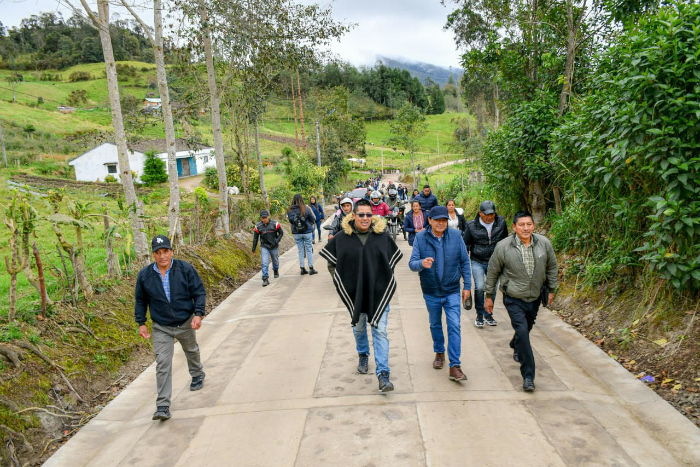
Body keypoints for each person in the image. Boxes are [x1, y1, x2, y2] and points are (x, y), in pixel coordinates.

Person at [320, 199, 403, 393]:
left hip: (378, 293)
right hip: (355, 292)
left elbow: (390, 261)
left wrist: (380, 279)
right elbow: (332, 264)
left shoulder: (382, 236)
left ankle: (383, 375)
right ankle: (363, 354)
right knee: (359, 328)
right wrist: (345, 284)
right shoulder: (342, 238)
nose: (365, 218)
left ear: (372, 216)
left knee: (380, 331)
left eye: (368, 215)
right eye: (361, 215)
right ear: (354, 216)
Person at [485, 211, 558, 392]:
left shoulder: (544, 244)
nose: (526, 228)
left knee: (526, 329)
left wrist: (552, 289)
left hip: (534, 297)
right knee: (523, 332)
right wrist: (488, 296)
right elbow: (493, 271)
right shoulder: (503, 247)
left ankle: (516, 343)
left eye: (529, 224)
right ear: (514, 227)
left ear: (533, 226)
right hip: (513, 298)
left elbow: (552, 266)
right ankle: (528, 376)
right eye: (522, 225)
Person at [135, 235, 206, 421]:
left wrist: (198, 314)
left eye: (165, 251)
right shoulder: (145, 276)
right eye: (158, 253)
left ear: (171, 252)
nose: (162, 256)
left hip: (185, 321)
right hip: (161, 327)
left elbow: (199, 292)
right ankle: (163, 405)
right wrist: (141, 323)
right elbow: (141, 301)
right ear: (153, 255)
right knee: (163, 363)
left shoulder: (185, 269)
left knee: (191, 350)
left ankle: (197, 374)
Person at [409, 206, 472, 381]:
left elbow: (465, 262)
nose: (441, 223)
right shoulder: (421, 238)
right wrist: (422, 263)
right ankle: (439, 352)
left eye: (444, 220)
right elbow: (412, 263)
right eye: (437, 220)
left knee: (454, 325)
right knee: (435, 324)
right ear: (429, 221)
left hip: (452, 290)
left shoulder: (456, 236)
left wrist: (467, 286)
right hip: (431, 291)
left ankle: (455, 365)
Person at [463, 200, 509, 327]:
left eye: (492, 214)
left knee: (492, 288)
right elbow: (465, 245)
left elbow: (506, 241)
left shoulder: (501, 222)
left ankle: (488, 313)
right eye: (487, 214)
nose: (489, 217)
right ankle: (479, 314)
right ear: (480, 213)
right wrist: (463, 264)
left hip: (495, 262)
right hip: (477, 260)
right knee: (480, 287)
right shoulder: (471, 225)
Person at [252, 209, 284, 287]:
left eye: (265, 217)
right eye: (262, 218)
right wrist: (253, 249)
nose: (264, 219)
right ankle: (265, 278)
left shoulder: (275, 224)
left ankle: (275, 270)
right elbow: (255, 238)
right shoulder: (258, 226)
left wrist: (277, 241)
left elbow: (281, 233)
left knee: (275, 260)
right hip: (264, 246)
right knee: (264, 262)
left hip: (274, 246)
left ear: (268, 217)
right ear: (260, 218)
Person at [287, 194, 317, 275]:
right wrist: (309, 224)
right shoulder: (306, 208)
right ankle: (311, 268)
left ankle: (302, 268)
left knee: (300, 250)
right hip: (307, 232)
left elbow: (291, 221)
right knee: (309, 250)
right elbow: (312, 218)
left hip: (297, 233)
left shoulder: (290, 210)